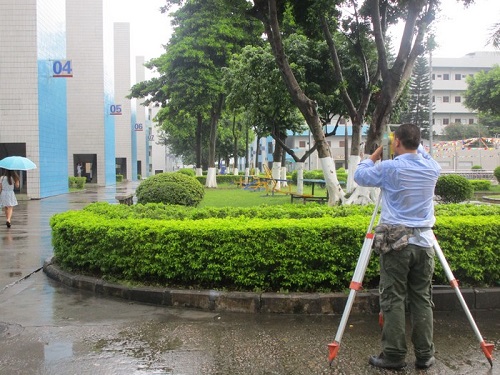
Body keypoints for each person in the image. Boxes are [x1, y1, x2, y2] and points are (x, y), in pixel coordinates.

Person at [354, 124, 441, 370]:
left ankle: (393, 355)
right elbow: (420, 152)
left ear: (397, 142)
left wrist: (379, 151)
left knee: (393, 299)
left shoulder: (390, 167)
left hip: (396, 244)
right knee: (422, 299)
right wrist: (409, 143)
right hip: (424, 243)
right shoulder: (432, 167)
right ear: (419, 143)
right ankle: (425, 355)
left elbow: (360, 175)